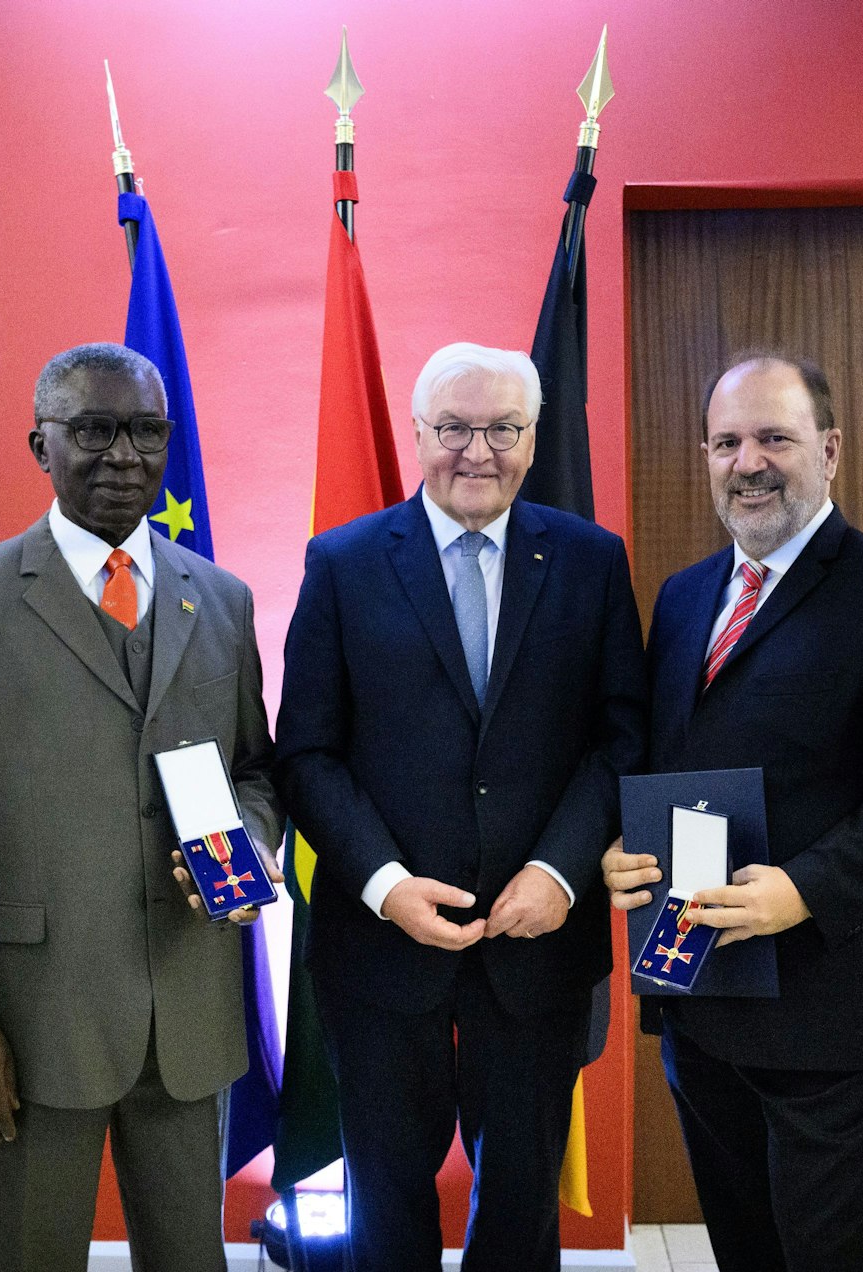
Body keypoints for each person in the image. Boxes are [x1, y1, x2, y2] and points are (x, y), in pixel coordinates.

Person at [0, 343, 281, 1271]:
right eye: (93, 430)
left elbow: (256, 775)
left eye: (145, 431)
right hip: (30, 1022)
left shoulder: (220, 599)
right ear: (41, 443)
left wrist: (250, 847)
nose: (122, 455)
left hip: (188, 1007)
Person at [274, 343, 646, 1271]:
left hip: (539, 946)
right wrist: (385, 883)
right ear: (418, 434)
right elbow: (307, 754)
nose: (477, 451)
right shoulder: (343, 562)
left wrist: (563, 871)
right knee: (387, 1203)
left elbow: (621, 739)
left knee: (520, 1209)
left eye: (503, 429)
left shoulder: (593, 563)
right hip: (380, 949)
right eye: (453, 428)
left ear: (532, 436)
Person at [602, 354, 863, 1270]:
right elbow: (675, 761)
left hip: (830, 1008)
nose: (749, 461)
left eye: (775, 437)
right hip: (700, 996)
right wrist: (623, 849)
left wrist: (802, 892)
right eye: (727, 442)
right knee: (744, 1249)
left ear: (830, 450)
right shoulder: (687, 596)